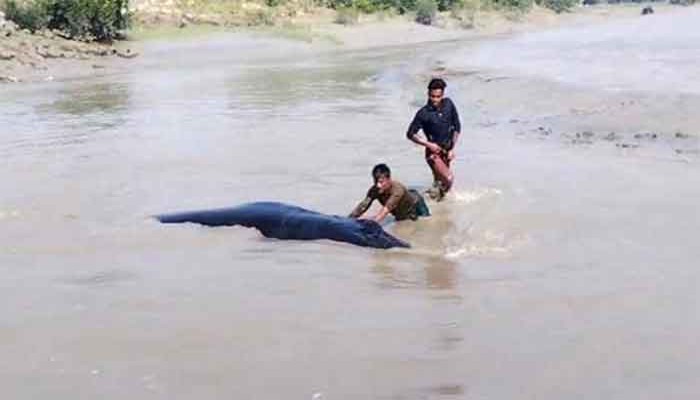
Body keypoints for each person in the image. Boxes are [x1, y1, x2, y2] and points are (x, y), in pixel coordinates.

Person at [406, 78, 461, 201]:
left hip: (447, 151)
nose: (435, 100)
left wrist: (452, 148)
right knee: (449, 178)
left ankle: (436, 209)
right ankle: (438, 201)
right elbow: (410, 133)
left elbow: (457, 126)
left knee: (439, 183)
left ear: (443, 94)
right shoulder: (423, 113)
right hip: (433, 153)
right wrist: (428, 144)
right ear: (428, 94)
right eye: (432, 96)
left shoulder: (449, 104)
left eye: (438, 96)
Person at [349, 164, 430, 223]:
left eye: (381, 182)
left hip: (417, 205)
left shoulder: (397, 190)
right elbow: (363, 206)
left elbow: (385, 211)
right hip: (399, 211)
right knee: (400, 219)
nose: (378, 185)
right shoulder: (375, 190)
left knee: (425, 224)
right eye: (375, 181)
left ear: (389, 179)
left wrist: (372, 224)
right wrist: (348, 220)